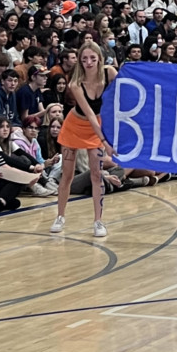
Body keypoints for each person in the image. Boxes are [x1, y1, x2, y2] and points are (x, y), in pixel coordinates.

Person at [50, 41, 117, 238]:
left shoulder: (110, 73)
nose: (88, 62)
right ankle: (60, 216)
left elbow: (127, 89)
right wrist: (106, 143)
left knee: (96, 174)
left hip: (98, 124)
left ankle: (98, 220)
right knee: (67, 174)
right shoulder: (75, 83)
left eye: (92, 58)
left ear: (100, 59)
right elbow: (88, 114)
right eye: (84, 58)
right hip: (75, 125)